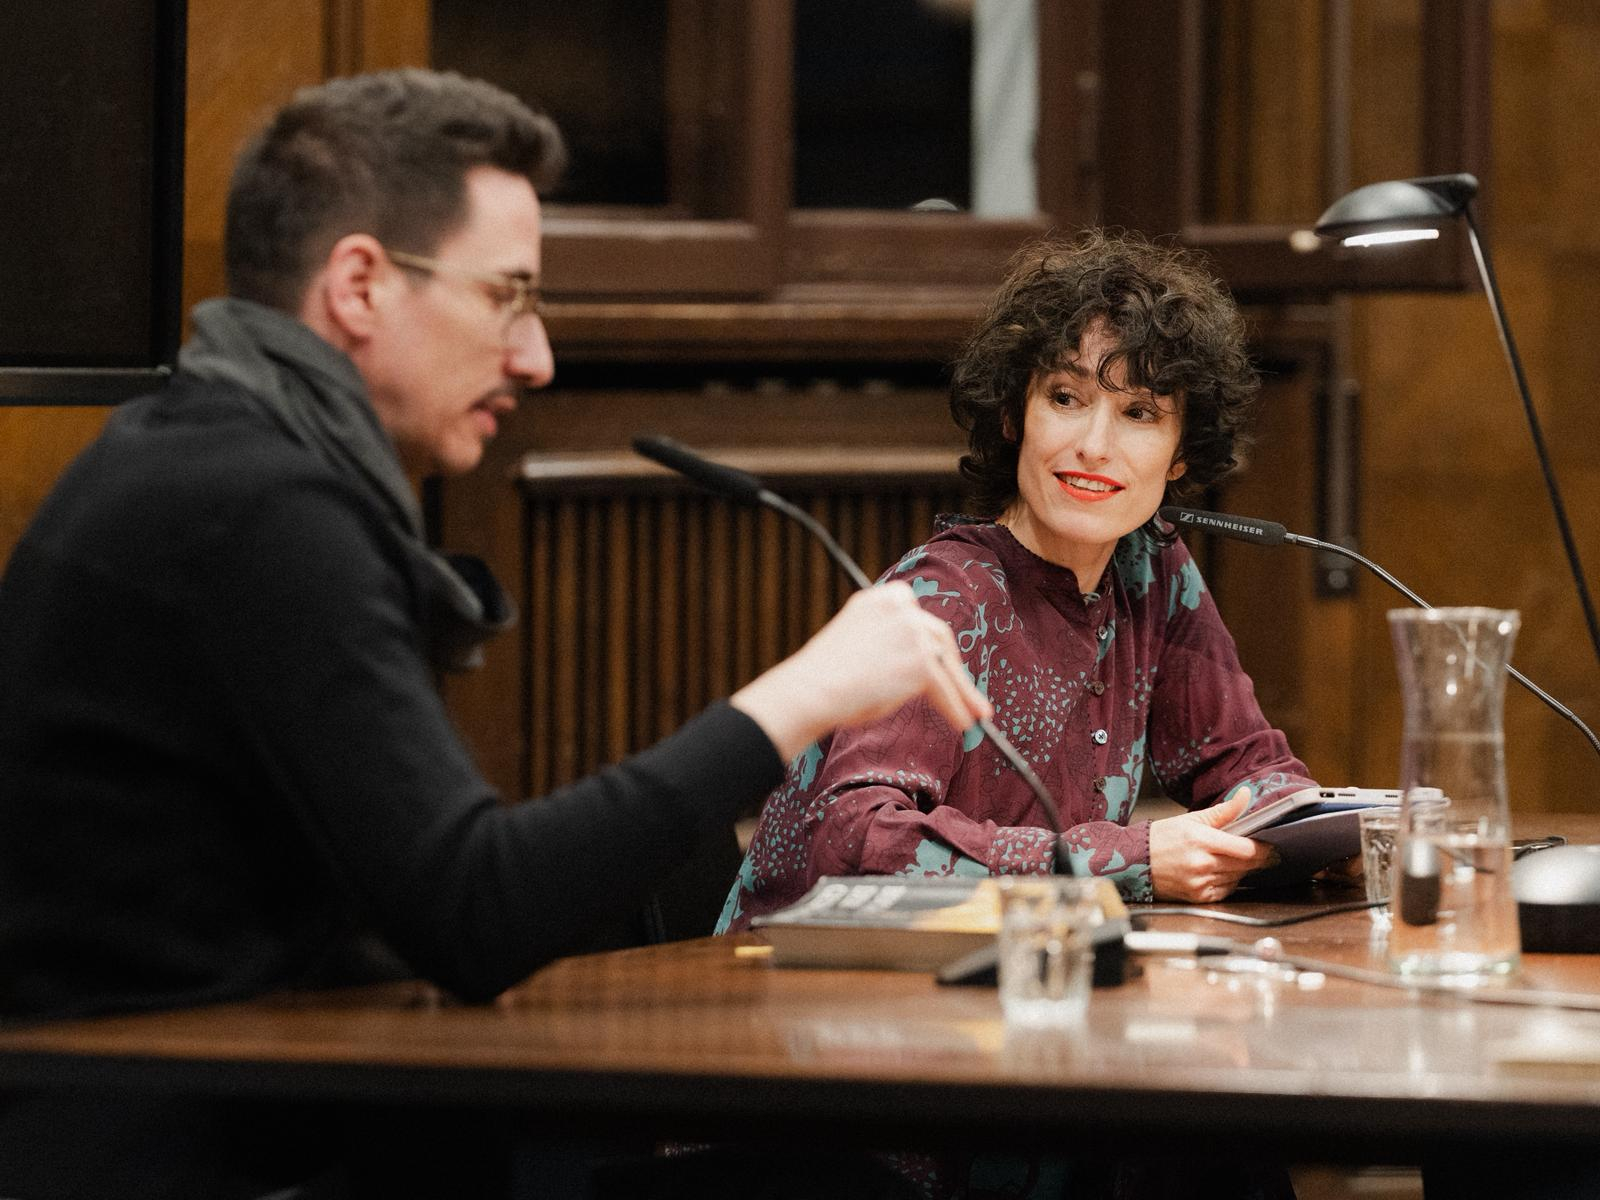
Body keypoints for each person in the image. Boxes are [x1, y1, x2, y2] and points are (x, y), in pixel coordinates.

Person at [0, 69, 987, 1197]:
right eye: (507, 296)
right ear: (359, 285)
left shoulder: (208, 455)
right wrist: (800, 696)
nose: (536, 356)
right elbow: (472, 909)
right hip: (170, 1147)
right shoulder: (255, 508)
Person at [721, 230, 1318, 936]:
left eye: (1139, 413)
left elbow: (1242, 764)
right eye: (1066, 398)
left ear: (1181, 454)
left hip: (1010, 974)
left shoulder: (1153, 568)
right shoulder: (946, 596)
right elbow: (856, 840)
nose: (1094, 445)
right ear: (1014, 417)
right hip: (799, 980)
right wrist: (1129, 858)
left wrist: (1330, 834)